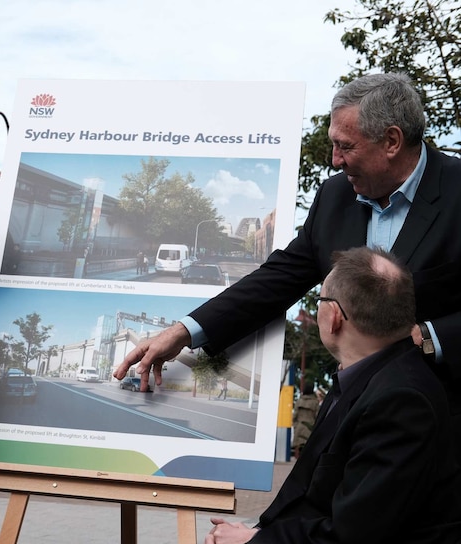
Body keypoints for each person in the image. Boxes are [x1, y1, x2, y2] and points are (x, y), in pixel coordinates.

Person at [114, 73, 461, 448]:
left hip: (442, 429)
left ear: (392, 141)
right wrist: (183, 332)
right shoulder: (333, 197)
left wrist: (433, 337)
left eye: (346, 147)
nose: (334, 160)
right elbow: (278, 278)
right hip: (353, 420)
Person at [159, 246, 461, 544]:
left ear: (332, 317)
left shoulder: (401, 400)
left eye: (319, 302)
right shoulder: (379, 376)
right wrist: (253, 534)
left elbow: (349, 540)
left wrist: (249, 542)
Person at [291, 381, 319, 458]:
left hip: (299, 427)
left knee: (298, 450)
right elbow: (317, 416)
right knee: (308, 451)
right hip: (310, 428)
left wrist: (296, 426)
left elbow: (294, 416)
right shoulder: (315, 402)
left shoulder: (299, 401)